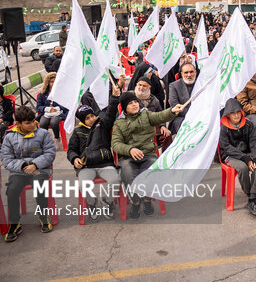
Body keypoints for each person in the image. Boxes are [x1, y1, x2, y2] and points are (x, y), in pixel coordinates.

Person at [112, 92, 184, 220]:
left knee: (152, 171)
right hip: (128, 158)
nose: (134, 105)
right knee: (128, 174)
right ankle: (136, 202)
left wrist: (172, 111)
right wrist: (130, 150)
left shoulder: (146, 114)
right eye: (130, 103)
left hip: (148, 154)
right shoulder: (119, 123)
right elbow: (116, 144)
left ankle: (146, 199)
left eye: (135, 102)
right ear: (124, 107)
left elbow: (160, 116)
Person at [66, 83, 121, 221]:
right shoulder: (77, 132)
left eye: (92, 116)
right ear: (82, 120)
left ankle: (108, 201)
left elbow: (110, 113)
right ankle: (93, 203)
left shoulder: (101, 125)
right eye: (87, 118)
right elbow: (71, 149)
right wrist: (74, 159)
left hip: (104, 163)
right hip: (87, 166)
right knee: (83, 184)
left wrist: (114, 98)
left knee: (115, 180)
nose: (91, 119)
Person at [1, 106, 56, 242]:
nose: (32, 124)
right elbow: (6, 159)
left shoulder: (43, 133)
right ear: (18, 123)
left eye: (33, 121)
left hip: (40, 169)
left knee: (39, 186)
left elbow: (50, 153)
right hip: (19, 171)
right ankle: (15, 223)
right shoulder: (9, 137)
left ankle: (43, 216)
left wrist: (35, 164)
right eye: (27, 123)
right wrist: (23, 166)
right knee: (12, 191)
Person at [219, 98, 256, 217]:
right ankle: (251, 196)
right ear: (228, 114)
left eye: (238, 112)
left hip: (247, 153)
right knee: (243, 168)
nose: (236, 115)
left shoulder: (248, 124)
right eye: (233, 113)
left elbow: (254, 141)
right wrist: (245, 158)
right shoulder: (223, 127)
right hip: (231, 156)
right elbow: (225, 147)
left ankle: (252, 199)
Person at [133, 76, 173, 150]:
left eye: (144, 86)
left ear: (149, 87)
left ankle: (165, 158)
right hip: (135, 126)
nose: (141, 88)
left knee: (167, 135)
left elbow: (160, 114)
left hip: (152, 126)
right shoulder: (130, 97)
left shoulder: (154, 100)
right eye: (140, 85)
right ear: (136, 85)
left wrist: (162, 126)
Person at [36, 72, 68, 148]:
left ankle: (57, 137)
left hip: (59, 113)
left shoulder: (61, 92)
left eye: (55, 82)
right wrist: (47, 109)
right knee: (43, 122)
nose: (53, 84)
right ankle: (46, 140)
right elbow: (38, 107)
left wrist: (57, 108)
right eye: (52, 82)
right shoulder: (43, 93)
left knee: (54, 122)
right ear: (47, 83)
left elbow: (66, 104)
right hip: (46, 113)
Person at [168, 62, 197, 134]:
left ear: (195, 72)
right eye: (186, 72)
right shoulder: (174, 86)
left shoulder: (201, 85)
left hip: (199, 116)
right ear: (182, 74)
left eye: (191, 72)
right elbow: (175, 105)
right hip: (181, 117)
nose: (189, 75)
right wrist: (192, 115)